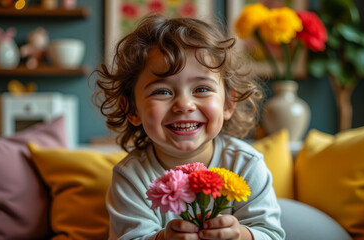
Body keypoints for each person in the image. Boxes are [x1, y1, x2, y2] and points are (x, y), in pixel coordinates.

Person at [93, 14, 285, 240]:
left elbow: (272, 234)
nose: (184, 104)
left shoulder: (246, 164)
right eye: (162, 91)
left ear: (228, 103)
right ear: (133, 110)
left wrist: (243, 235)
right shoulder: (131, 177)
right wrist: (161, 238)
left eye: (201, 89)